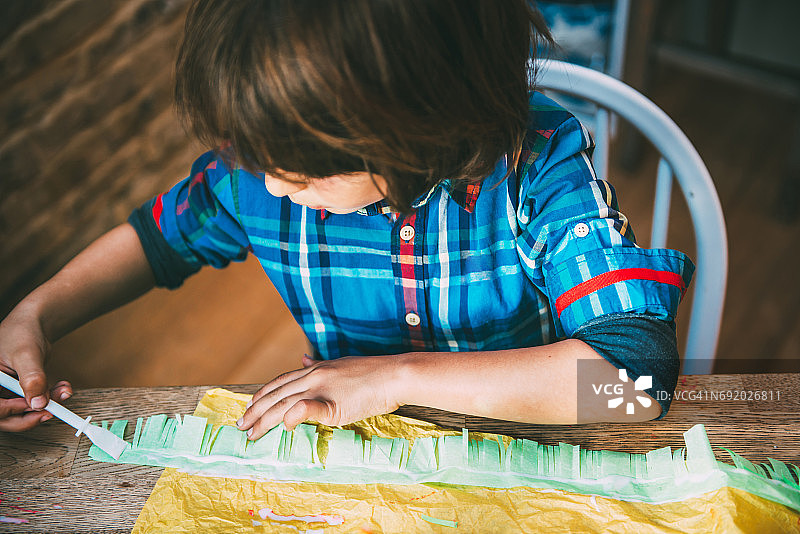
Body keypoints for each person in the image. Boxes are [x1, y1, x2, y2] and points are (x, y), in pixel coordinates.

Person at [0, 0, 693, 439]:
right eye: (259, 158)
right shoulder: (262, 171)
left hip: (535, 447)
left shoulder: (537, 164)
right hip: (364, 459)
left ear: (426, 123)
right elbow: (155, 241)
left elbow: (637, 384)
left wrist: (395, 378)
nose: (271, 185)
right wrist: (35, 315)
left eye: (306, 170)